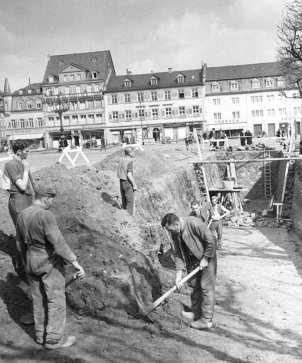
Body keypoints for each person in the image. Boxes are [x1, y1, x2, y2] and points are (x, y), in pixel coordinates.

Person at [16, 188, 85, 349]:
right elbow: (58, 242)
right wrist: (75, 263)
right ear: (46, 199)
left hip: (30, 260)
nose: (52, 203)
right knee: (56, 299)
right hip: (48, 261)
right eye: (51, 200)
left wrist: (26, 263)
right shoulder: (45, 215)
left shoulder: (22, 215)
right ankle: (54, 340)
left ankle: (40, 336)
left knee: (38, 299)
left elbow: (19, 245)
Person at [161, 213, 217, 330]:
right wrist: (178, 275)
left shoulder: (193, 223)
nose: (170, 233)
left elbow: (211, 240)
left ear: (176, 224)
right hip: (192, 260)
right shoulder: (175, 233)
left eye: (170, 229)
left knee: (206, 288)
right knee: (193, 286)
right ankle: (196, 313)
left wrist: (206, 258)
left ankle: (206, 320)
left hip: (207, 258)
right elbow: (177, 253)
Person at [3, 141, 34, 278]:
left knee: (30, 233)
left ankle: (30, 265)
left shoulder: (22, 162)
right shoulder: (11, 164)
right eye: (27, 151)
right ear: (19, 151)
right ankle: (23, 268)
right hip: (18, 201)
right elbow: (21, 186)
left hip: (26, 200)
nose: (29, 153)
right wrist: (26, 169)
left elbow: (29, 186)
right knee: (22, 235)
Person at [117, 146, 138, 216]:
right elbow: (129, 175)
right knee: (130, 201)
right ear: (129, 153)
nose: (134, 153)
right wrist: (134, 185)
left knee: (124, 199)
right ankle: (130, 217)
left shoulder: (121, 159)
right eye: (133, 152)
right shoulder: (130, 161)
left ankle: (123, 215)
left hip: (121, 181)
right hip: (127, 182)